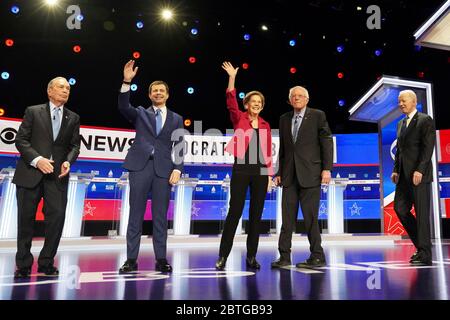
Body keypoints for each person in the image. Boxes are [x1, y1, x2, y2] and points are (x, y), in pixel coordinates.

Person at [118, 60, 184, 273]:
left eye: (161, 90)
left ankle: (161, 258)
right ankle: (131, 259)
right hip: (140, 167)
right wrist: (127, 82)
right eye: (154, 90)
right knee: (135, 214)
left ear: (167, 94)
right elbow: (123, 106)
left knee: (160, 216)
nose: (158, 93)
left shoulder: (176, 118)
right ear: (149, 95)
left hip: (164, 171)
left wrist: (178, 168)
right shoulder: (140, 113)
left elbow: (180, 145)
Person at [13, 77, 80, 278]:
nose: (65, 91)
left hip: (57, 176)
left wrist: (68, 161)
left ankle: (46, 262)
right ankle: (23, 264)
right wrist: (37, 159)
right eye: (61, 87)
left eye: (68, 88)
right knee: (25, 220)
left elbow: (75, 145)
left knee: (57, 218)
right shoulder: (33, 111)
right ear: (49, 91)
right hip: (30, 173)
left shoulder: (73, 117)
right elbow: (21, 140)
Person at [215, 62, 273, 271]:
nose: (256, 104)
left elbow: (267, 154)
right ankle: (222, 257)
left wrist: (269, 176)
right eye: (253, 101)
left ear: (262, 105)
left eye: (259, 102)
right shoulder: (239, 117)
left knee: (256, 215)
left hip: (260, 172)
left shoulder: (266, 125)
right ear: (247, 104)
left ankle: (251, 257)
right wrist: (232, 78)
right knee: (235, 212)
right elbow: (231, 99)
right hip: (241, 168)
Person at [272, 86, 333, 269]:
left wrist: (327, 169)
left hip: (311, 175)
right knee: (286, 220)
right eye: (293, 96)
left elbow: (326, 142)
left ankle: (317, 256)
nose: (297, 98)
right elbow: (283, 149)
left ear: (307, 99)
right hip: (289, 176)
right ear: (290, 100)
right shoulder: (284, 118)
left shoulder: (317, 115)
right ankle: (284, 257)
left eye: (300, 96)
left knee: (311, 219)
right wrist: (279, 172)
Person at [391, 90, 436, 266]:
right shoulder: (401, 123)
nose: (401, 103)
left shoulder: (425, 120)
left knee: (422, 215)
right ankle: (421, 245)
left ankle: (425, 255)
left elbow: (428, 148)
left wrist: (420, 170)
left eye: (404, 100)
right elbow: (400, 150)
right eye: (399, 101)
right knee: (400, 209)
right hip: (403, 176)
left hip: (419, 176)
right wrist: (396, 170)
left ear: (414, 102)